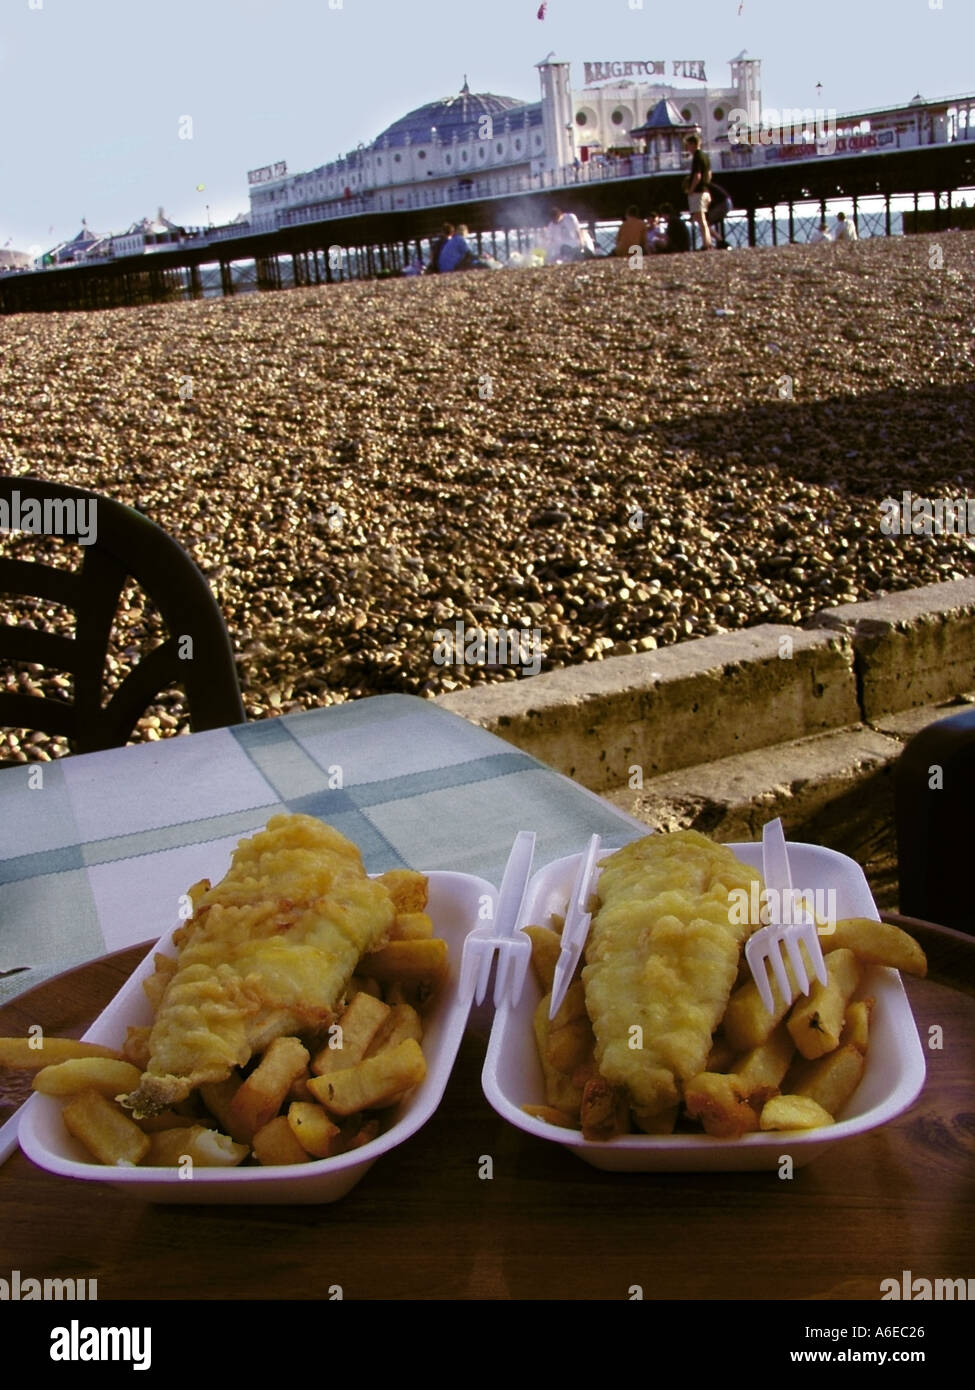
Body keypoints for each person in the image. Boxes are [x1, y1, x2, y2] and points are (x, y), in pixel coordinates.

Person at [683, 134, 712, 250]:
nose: (687, 148)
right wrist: (706, 185)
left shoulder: (697, 157)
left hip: (698, 192)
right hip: (705, 191)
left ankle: (706, 244)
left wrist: (691, 190)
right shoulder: (705, 156)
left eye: (688, 145)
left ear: (693, 144)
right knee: (700, 218)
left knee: (701, 219)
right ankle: (708, 242)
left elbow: (697, 175)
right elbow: (709, 174)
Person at [706, 182, 732, 250]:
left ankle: (720, 242)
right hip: (726, 203)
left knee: (705, 225)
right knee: (706, 225)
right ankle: (718, 242)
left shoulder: (703, 187)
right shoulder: (709, 185)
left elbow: (708, 200)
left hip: (722, 204)